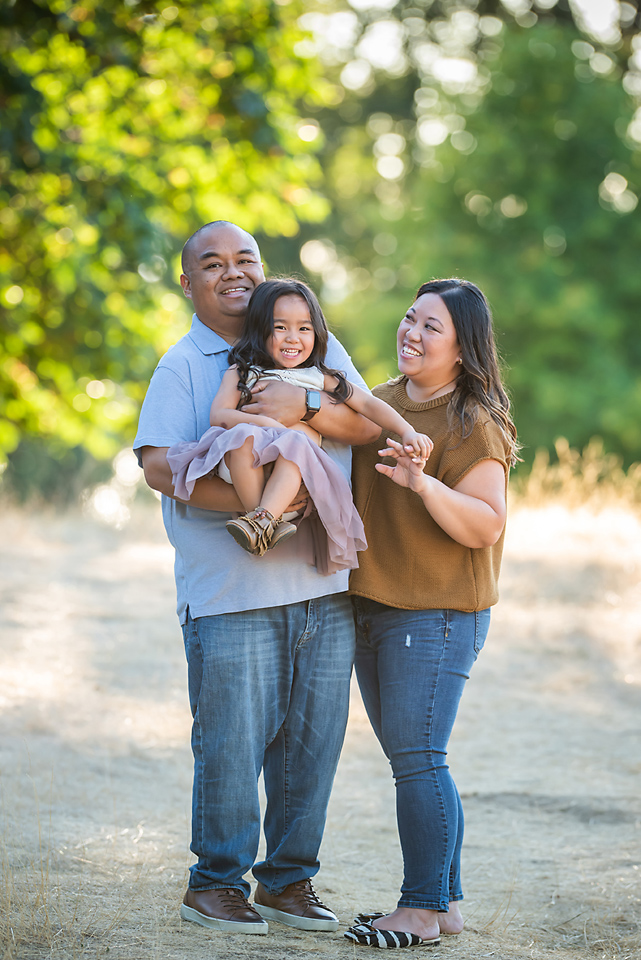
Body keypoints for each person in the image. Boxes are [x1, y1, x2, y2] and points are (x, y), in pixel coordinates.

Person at [134, 220, 380, 937]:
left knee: (312, 743)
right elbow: (156, 466)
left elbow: (363, 425)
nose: (232, 272)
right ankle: (213, 884)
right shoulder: (185, 363)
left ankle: (288, 882)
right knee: (232, 744)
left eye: (244, 258)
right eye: (211, 264)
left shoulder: (310, 339)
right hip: (231, 594)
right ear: (188, 284)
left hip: (322, 588)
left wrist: (303, 405)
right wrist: (266, 508)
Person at [345, 278, 519, 949]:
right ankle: (443, 905)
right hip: (372, 606)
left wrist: (422, 483)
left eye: (430, 327)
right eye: (409, 319)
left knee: (418, 758)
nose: (411, 334)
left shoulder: (472, 421)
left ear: (461, 346)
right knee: (413, 759)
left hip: (438, 613)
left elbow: (483, 525)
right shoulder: (381, 404)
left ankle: (418, 911)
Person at [167, 277, 431, 570]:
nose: (293, 338)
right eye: (280, 327)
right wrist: (267, 424)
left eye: (304, 328)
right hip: (244, 468)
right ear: (259, 328)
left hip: (291, 475)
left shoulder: (320, 377)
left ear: (317, 334)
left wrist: (407, 430)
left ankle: (264, 521)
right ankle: (263, 518)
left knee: (299, 437)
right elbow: (219, 416)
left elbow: (368, 405)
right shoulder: (242, 372)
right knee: (243, 435)